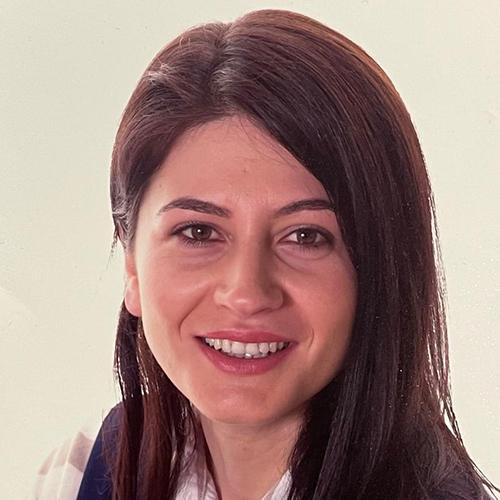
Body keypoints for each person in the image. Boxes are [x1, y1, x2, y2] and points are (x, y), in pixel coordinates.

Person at [32, 8, 498, 500]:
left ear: (381, 271)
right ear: (131, 265)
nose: (247, 293)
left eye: (306, 236)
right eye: (197, 231)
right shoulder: (80, 473)